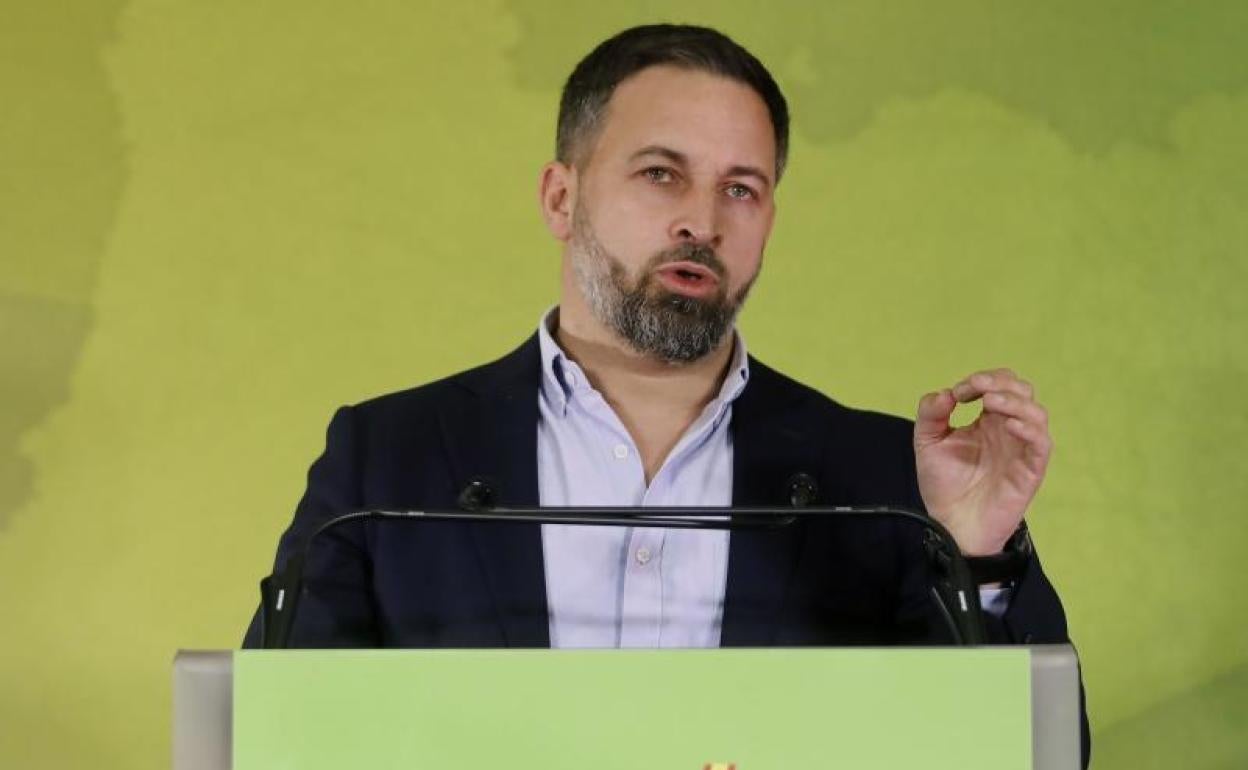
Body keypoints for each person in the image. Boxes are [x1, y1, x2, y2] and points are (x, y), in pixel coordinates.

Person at [244, 22, 1087, 764]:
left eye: (740, 189)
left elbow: (1023, 755)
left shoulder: (887, 475)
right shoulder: (387, 459)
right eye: (660, 174)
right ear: (561, 197)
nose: (702, 222)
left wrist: (975, 557)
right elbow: (274, 742)